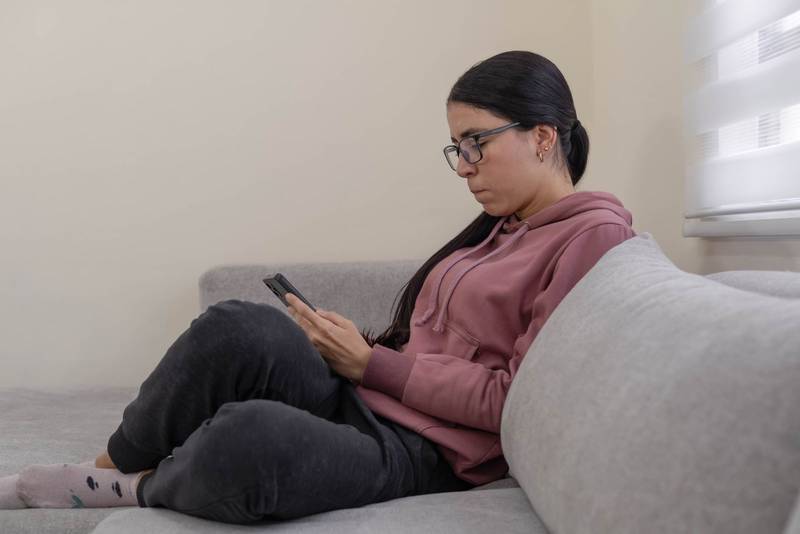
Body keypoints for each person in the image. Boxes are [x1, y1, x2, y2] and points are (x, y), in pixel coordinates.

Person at [0, 50, 635, 523]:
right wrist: (350, 347)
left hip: (426, 453)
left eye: (477, 144)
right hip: (372, 403)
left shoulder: (591, 237)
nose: (464, 167)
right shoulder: (503, 227)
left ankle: (135, 489)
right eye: (455, 148)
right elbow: (435, 345)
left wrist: (374, 366)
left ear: (543, 137)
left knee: (249, 437)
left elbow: (514, 401)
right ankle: (103, 467)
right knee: (236, 326)